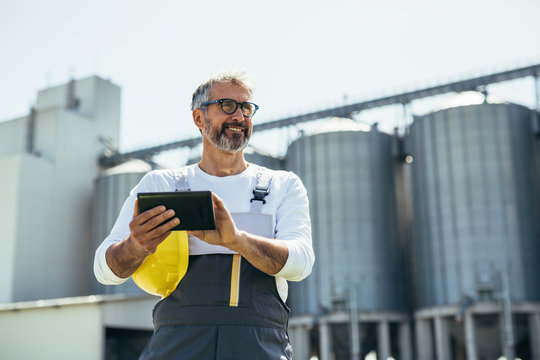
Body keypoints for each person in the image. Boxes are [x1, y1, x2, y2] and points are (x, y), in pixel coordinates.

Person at [94, 69, 315, 359]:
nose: (239, 116)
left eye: (247, 108)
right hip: (177, 346)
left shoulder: (281, 185)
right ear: (199, 118)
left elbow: (301, 263)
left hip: (259, 347)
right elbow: (104, 271)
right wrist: (136, 245)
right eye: (227, 105)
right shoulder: (162, 185)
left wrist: (236, 240)